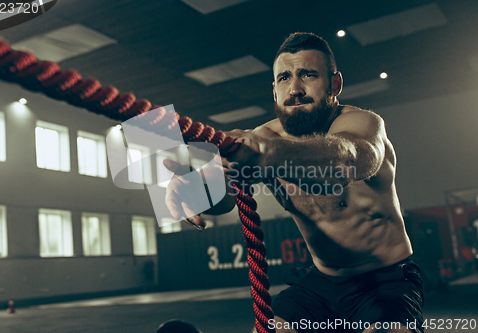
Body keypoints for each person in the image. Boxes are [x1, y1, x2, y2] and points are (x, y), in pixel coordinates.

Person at [165, 32, 424, 333]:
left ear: (334, 85)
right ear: (274, 90)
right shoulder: (262, 140)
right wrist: (196, 187)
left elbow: (347, 161)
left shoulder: (362, 124)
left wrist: (271, 154)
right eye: (284, 78)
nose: (295, 88)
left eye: (308, 75)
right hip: (320, 283)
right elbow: (225, 200)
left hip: (385, 280)